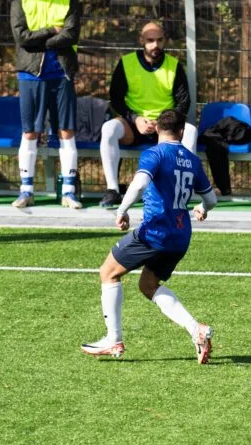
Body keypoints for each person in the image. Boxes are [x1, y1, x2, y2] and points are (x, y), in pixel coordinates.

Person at [81, 109, 217, 364]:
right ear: (181, 132)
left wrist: (121, 210)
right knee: (148, 286)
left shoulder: (154, 154)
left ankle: (113, 338)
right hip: (180, 236)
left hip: (155, 232)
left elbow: (141, 183)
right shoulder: (192, 160)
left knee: (108, 272)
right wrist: (202, 209)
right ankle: (196, 330)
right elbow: (210, 198)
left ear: (156, 129)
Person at [10, 0, 82, 209]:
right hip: (31, 75)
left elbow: (72, 35)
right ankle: (26, 190)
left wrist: (41, 39)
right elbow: (21, 38)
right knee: (30, 133)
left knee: (66, 131)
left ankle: (69, 192)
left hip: (62, 73)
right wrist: (52, 30)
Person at [99, 22, 197, 208]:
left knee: (190, 131)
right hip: (134, 124)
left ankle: (183, 190)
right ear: (141, 41)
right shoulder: (126, 63)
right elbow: (116, 99)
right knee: (109, 128)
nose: (155, 45)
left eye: (159, 40)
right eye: (150, 40)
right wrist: (135, 118)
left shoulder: (174, 65)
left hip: (165, 127)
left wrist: (163, 122)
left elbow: (183, 102)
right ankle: (112, 190)